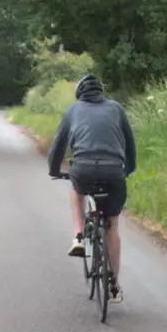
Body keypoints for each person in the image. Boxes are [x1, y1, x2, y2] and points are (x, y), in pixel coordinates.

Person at [47, 74, 136, 301]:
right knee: (112, 225)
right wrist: (127, 170)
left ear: (80, 93)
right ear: (101, 92)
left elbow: (58, 144)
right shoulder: (116, 108)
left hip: (83, 168)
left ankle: (78, 235)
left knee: (77, 191)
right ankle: (113, 285)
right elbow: (130, 143)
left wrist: (55, 171)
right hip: (114, 170)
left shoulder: (73, 110)